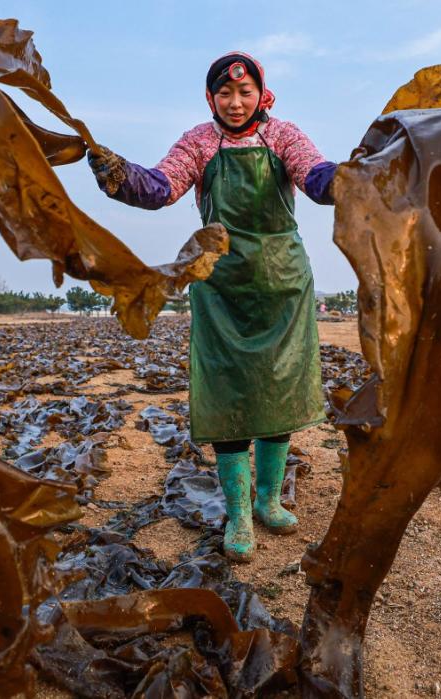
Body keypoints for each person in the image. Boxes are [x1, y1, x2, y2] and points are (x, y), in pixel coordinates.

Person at [87, 52, 337, 562]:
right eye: (225, 94)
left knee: (277, 391)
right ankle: (238, 513)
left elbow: (316, 178)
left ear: (260, 93)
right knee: (227, 394)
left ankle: (268, 500)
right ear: (211, 98)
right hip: (220, 287)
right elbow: (159, 188)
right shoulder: (200, 141)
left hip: (283, 286)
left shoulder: (283, 135)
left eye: (245, 93)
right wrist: (116, 173)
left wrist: (352, 178)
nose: (236, 102)